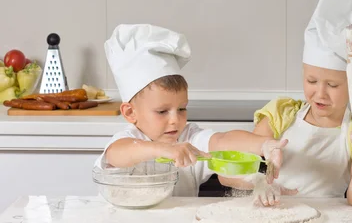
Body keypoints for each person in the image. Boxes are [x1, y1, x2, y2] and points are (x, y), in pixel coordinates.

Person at [219, 0, 352, 206]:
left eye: (332, 84)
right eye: (311, 81)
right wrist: (259, 181)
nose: (320, 93)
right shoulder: (282, 114)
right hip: (271, 215)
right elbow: (228, 174)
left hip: (326, 220)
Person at [94, 24, 287, 198]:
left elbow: (221, 141)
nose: (175, 120)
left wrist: (263, 144)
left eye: (181, 109)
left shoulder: (188, 138)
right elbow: (116, 154)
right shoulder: (127, 140)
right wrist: (161, 149)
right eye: (162, 111)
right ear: (130, 113)